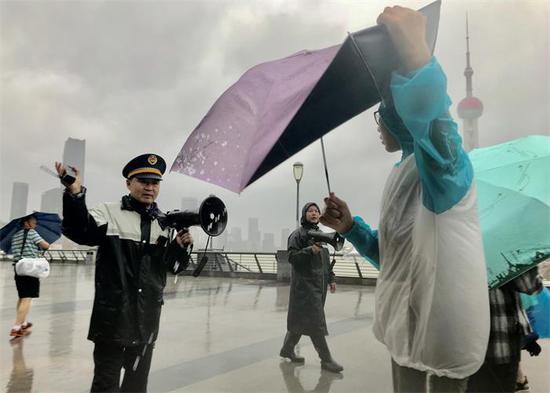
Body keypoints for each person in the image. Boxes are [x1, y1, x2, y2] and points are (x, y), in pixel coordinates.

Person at [321, 6, 490, 392]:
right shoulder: (403, 171)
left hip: (442, 334)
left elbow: (436, 129)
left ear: (396, 117)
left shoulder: (443, 169)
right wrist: (350, 228)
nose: (379, 129)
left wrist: (417, 59)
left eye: (381, 117)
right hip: (404, 329)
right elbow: (393, 254)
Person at [55, 153, 193, 393]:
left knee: (136, 387)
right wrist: (75, 194)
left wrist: (181, 249)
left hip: (147, 323)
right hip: (112, 322)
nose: (150, 188)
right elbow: (81, 232)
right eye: (143, 181)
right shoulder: (108, 213)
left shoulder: (164, 223)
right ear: (129, 183)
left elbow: (173, 268)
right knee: (105, 386)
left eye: (155, 183)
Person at [280, 202, 343, 373]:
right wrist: (310, 250)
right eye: (310, 211)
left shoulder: (321, 235)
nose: (314, 213)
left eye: (316, 211)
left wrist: (331, 278)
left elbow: (326, 261)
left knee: (301, 320)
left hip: (319, 285)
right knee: (316, 323)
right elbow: (292, 257)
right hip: (304, 287)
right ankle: (326, 360)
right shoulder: (297, 235)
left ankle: (287, 349)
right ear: (304, 214)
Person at [466, 268, 543, 393]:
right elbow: (530, 285)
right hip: (499, 342)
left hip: (464, 341)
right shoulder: (500, 252)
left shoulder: (457, 251)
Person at [10, 214, 50, 337]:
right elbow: (46, 245)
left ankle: (23, 323)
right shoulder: (32, 233)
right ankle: (16, 327)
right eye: (34, 222)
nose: (35, 224)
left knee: (22, 297)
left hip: (18, 268)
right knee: (27, 298)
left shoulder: (15, 235)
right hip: (29, 269)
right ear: (26, 223)